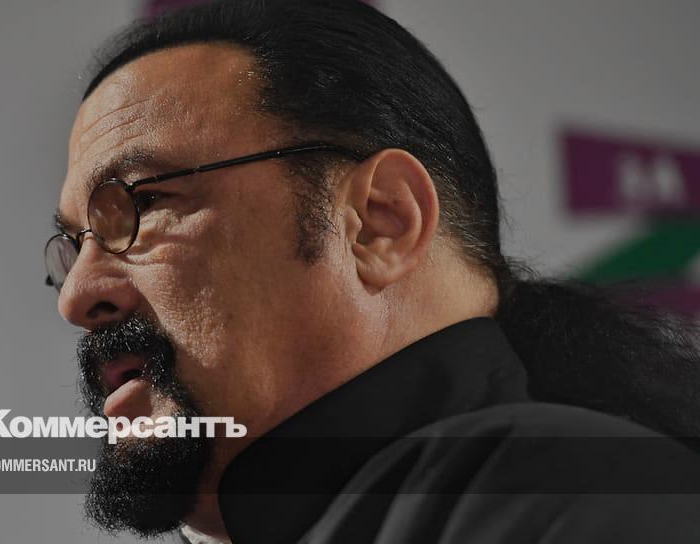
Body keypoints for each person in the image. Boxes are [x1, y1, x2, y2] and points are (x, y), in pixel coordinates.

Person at [45, 1, 700, 542]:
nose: (75, 297)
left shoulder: (581, 500)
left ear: (380, 221)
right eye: (74, 244)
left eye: (142, 204)